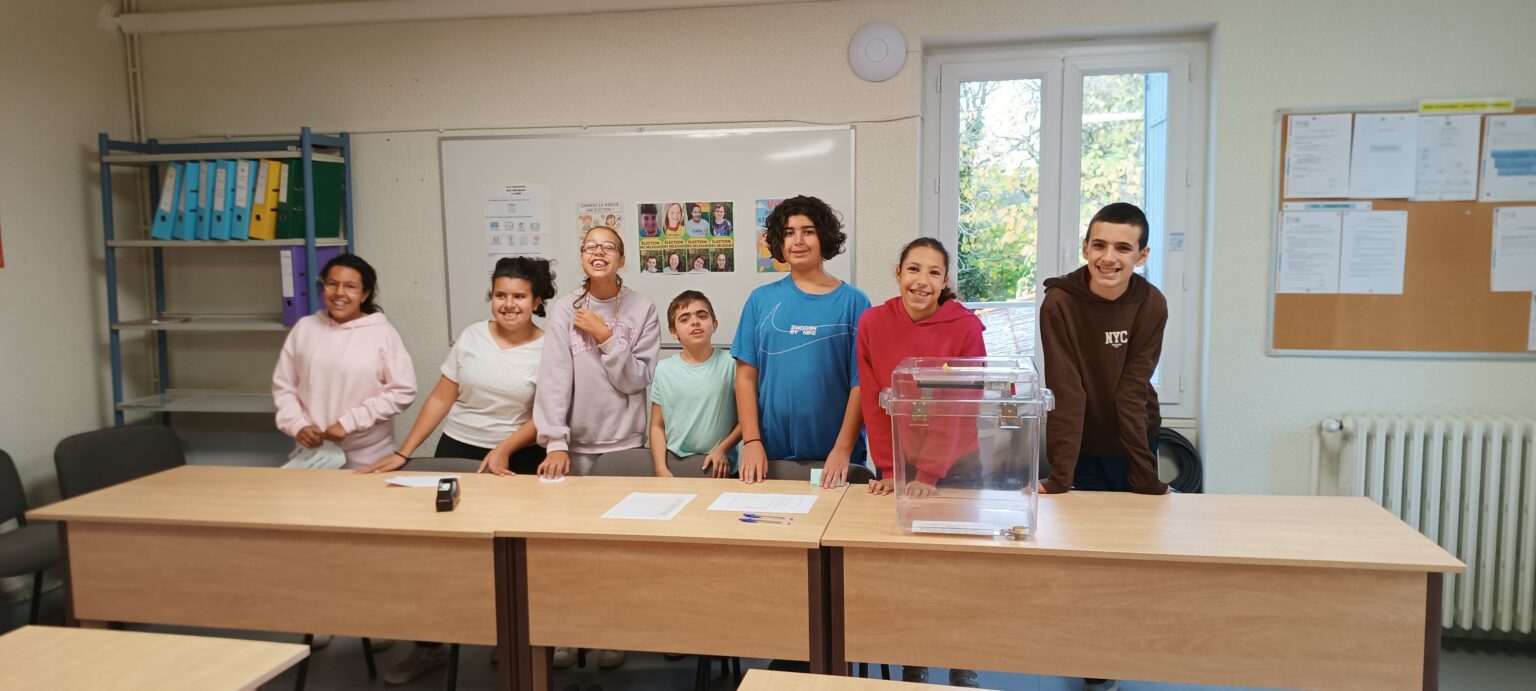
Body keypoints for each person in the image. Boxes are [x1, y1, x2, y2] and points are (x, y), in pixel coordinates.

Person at [360, 257, 553, 682]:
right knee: (441, 556)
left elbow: (546, 414)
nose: (508, 304)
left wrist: (503, 449)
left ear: (536, 301)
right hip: (458, 449)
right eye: (500, 295)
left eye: (519, 296)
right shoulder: (471, 337)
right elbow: (441, 398)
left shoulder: (549, 347)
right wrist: (405, 451)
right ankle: (429, 646)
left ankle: (511, 640)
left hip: (516, 458)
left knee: (512, 559)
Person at [1039, 202, 1168, 691]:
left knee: (1131, 557)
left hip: (1135, 438)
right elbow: (1066, 389)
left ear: (1142, 255)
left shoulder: (1151, 304)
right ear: (1085, 247)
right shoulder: (1060, 303)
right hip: (1083, 448)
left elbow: (1132, 390)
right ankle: (1095, 665)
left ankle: (1125, 646)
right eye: (1099, 245)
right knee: (1087, 559)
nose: (1108, 257)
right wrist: (1061, 475)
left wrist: (1146, 477)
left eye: (1122, 248)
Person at [854, 238, 985, 688]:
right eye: (913, 269)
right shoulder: (873, 322)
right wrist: (891, 470)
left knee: (960, 571)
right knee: (911, 570)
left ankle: (963, 660)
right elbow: (875, 402)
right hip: (901, 467)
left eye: (933, 272)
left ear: (945, 281)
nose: (922, 281)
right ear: (898, 274)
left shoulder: (966, 327)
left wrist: (928, 473)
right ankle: (916, 656)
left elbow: (961, 407)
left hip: (959, 466)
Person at [532, 225, 659, 669]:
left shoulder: (642, 308)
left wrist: (605, 336)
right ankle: (568, 631)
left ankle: (612, 631)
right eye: (590, 247)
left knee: (618, 550)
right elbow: (553, 378)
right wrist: (555, 440)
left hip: (625, 448)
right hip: (573, 448)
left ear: (622, 259)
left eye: (608, 247)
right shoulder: (564, 308)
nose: (598, 252)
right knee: (566, 550)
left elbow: (636, 380)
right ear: (582, 256)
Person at [732, 195, 869, 488]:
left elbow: (862, 384)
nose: (798, 241)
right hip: (769, 455)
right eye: (789, 233)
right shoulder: (760, 300)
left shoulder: (854, 302)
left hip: (836, 457)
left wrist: (843, 448)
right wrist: (752, 441)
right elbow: (745, 377)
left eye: (808, 231)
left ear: (824, 237)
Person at [273, 253, 416, 470]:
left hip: (369, 455)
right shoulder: (305, 328)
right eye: (332, 284)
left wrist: (349, 423)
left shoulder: (383, 334)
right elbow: (284, 386)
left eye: (350, 286)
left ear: (365, 294)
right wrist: (297, 425)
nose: (339, 293)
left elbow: (402, 391)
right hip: (314, 455)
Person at [646, 290, 739, 478]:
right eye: (684, 319)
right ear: (673, 332)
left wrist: (723, 449)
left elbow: (747, 419)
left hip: (719, 467)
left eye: (702, 316)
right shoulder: (663, 369)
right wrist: (660, 468)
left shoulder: (732, 364)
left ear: (714, 324)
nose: (695, 322)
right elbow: (657, 426)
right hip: (675, 466)